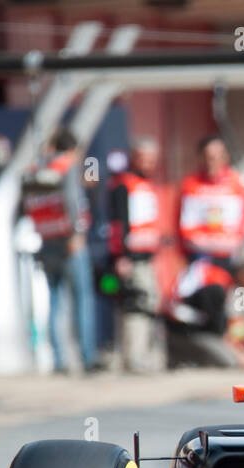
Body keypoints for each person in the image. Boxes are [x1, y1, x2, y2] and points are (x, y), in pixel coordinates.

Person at [23, 127, 97, 372]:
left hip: (46, 240)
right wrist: (76, 233)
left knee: (54, 300)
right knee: (82, 299)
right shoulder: (67, 167)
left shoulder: (37, 169)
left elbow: (29, 205)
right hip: (69, 242)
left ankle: (57, 360)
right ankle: (87, 357)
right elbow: (74, 199)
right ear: (73, 149)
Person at [176, 135, 244, 338]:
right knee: (206, 298)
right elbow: (185, 227)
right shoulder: (191, 184)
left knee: (239, 304)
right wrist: (206, 243)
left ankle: (240, 342)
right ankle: (213, 338)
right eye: (209, 156)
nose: (214, 161)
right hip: (203, 259)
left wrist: (233, 243)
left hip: (231, 257)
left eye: (219, 156)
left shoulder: (236, 182)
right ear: (201, 157)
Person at [108, 138, 164, 372]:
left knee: (148, 303)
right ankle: (133, 358)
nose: (148, 164)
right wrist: (122, 256)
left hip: (147, 257)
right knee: (136, 304)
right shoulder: (123, 184)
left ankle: (142, 355)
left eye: (152, 159)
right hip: (131, 258)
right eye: (144, 158)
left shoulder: (146, 184)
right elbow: (118, 223)